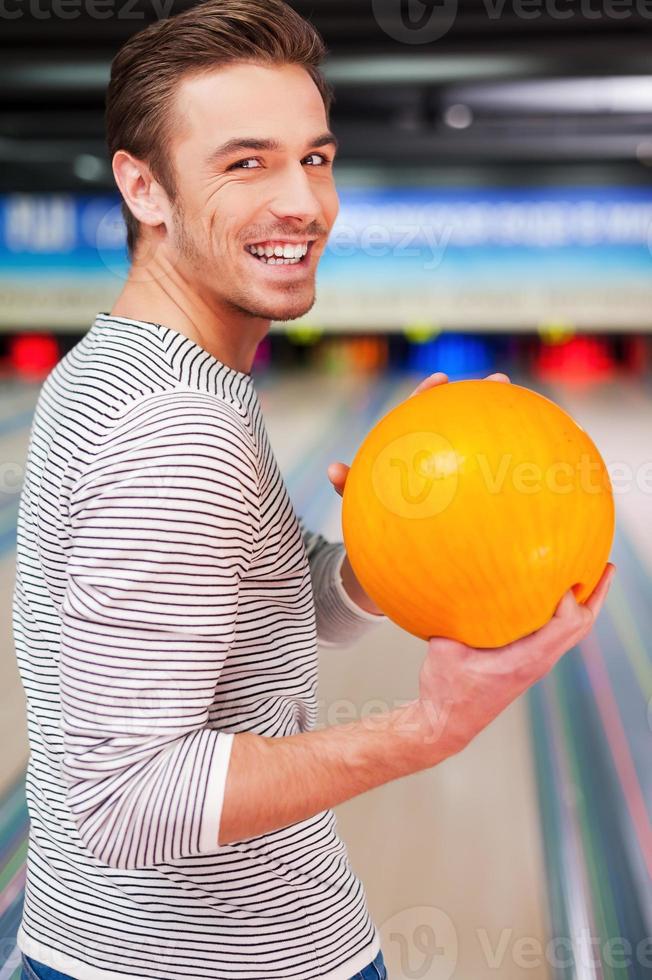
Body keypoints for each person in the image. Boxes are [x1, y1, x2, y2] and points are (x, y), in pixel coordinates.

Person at [13, 2, 614, 979]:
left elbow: (253, 619)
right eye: (245, 162)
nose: (302, 200)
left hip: (109, 946)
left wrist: (401, 522)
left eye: (315, 157)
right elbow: (123, 798)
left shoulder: (132, 366)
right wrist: (430, 728)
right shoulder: (176, 423)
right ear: (143, 185)